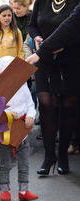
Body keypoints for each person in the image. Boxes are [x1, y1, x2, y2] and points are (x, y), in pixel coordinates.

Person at [27, 0, 80, 175]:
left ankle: (63, 155)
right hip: (45, 60)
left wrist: (44, 51)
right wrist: (35, 37)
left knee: (67, 106)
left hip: (70, 60)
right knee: (45, 103)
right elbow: (32, 24)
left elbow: (70, 28)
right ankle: (49, 156)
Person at [0, 56, 38, 201]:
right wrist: (6, 116)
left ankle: (23, 191)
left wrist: (31, 116)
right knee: (5, 164)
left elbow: (30, 105)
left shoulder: (22, 85)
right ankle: (5, 190)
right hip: (4, 132)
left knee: (24, 163)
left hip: (22, 131)